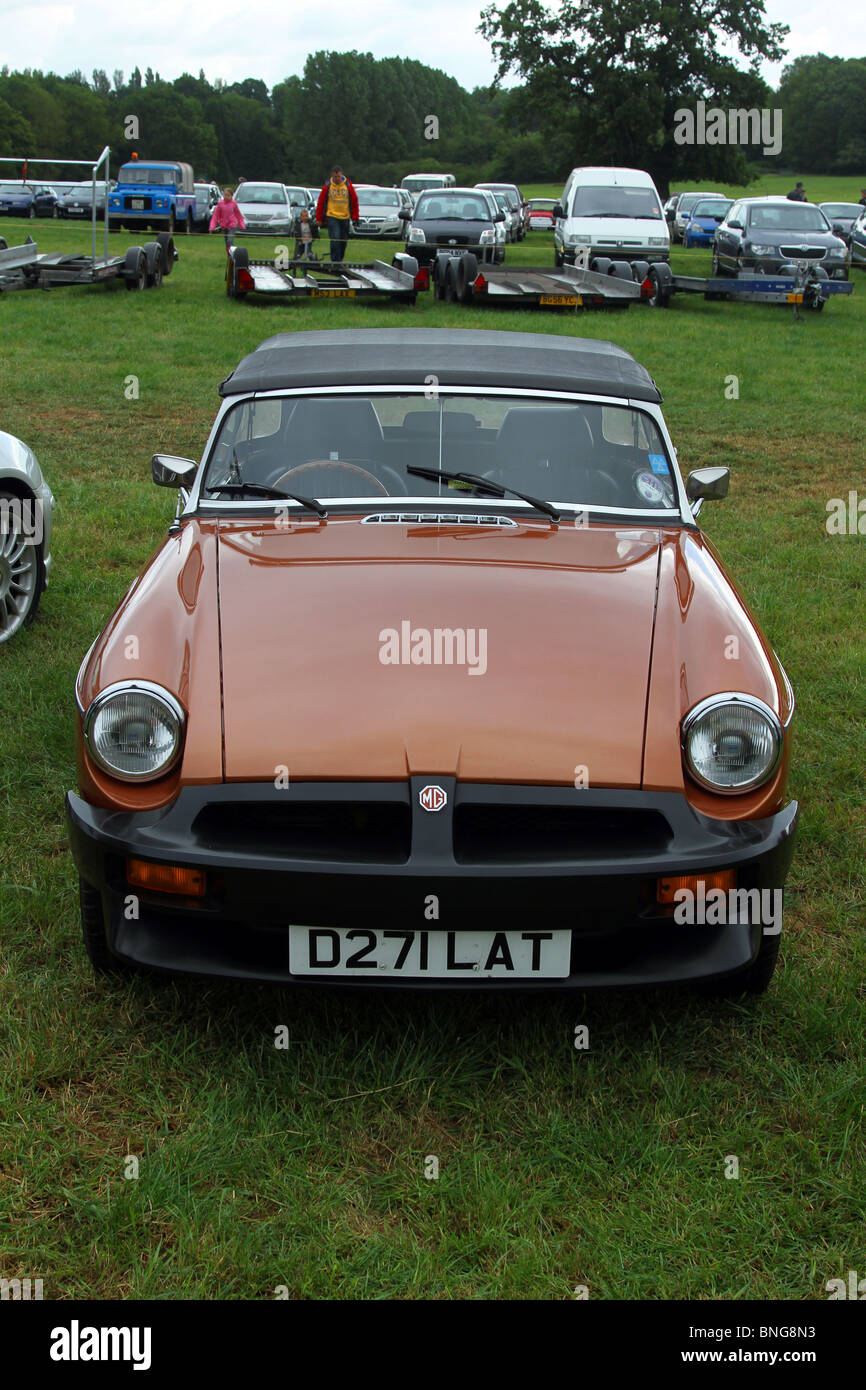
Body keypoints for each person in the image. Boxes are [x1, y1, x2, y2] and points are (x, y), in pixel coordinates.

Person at [315, 165, 359, 263]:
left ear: (341, 175)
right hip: (332, 216)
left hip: (345, 216)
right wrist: (319, 218)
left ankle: (340, 259)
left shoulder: (347, 185)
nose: (337, 179)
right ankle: (335, 261)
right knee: (335, 238)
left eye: (338, 176)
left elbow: (354, 201)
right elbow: (321, 202)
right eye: (335, 177)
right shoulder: (328, 186)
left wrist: (355, 217)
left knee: (343, 241)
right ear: (332, 176)